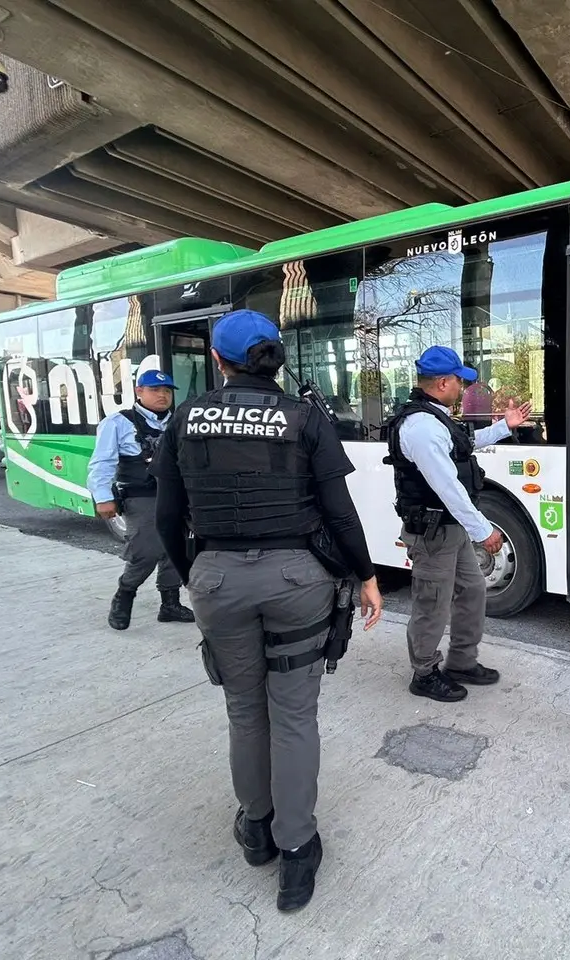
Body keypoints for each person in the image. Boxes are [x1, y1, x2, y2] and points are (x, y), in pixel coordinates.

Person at [151, 308, 383, 913]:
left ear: (219, 360)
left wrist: (198, 572)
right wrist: (366, 576)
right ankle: (297, 851)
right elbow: (340, 511)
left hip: (217, 581)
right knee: (295, 715)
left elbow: (168, 520)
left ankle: (257, 830)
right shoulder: (305, 418)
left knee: (244, 710)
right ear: (275, 358)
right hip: (296, 580)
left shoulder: (183, 419)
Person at [383, 346, 531, 703]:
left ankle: (461, 662)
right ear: (443, 382)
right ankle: (424, 672)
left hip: (450, 529)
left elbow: (463, 444)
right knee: (431, 603)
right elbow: (448, 488)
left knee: (473, 589)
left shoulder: (436, 418)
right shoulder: (421, 427)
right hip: (433, 533)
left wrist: (503, 427)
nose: (463, 390)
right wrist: (485, 530)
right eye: (459, 383)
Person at [88, 369, 194, 630]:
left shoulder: (180, 421)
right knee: (146, 550)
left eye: (167, 391)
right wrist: (103, 498)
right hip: (141, 496)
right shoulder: (118, 422)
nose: (162, 395)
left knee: (177, 549)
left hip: (177, 494)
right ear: (139, 392)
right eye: (155, 390)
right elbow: (102, 463)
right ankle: (125, 594)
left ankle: (170, 603)